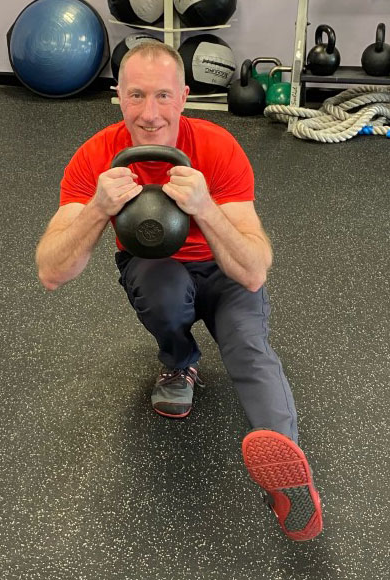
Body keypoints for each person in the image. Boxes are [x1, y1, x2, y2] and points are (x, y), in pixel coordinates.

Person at [35, 42, 322, 541]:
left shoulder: (217, 147)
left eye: (163, 96)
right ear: (118, 96)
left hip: (225, 268)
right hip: (158, 268)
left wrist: (206, 207)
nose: (150, 114)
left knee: (248, 347)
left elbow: (254, 270)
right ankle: (179, 358)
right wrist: (98, 208)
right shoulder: (96, 157)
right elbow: (51, 271)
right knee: (159, 285)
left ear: (184, 96)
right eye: (137, 96)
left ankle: (289, 481)